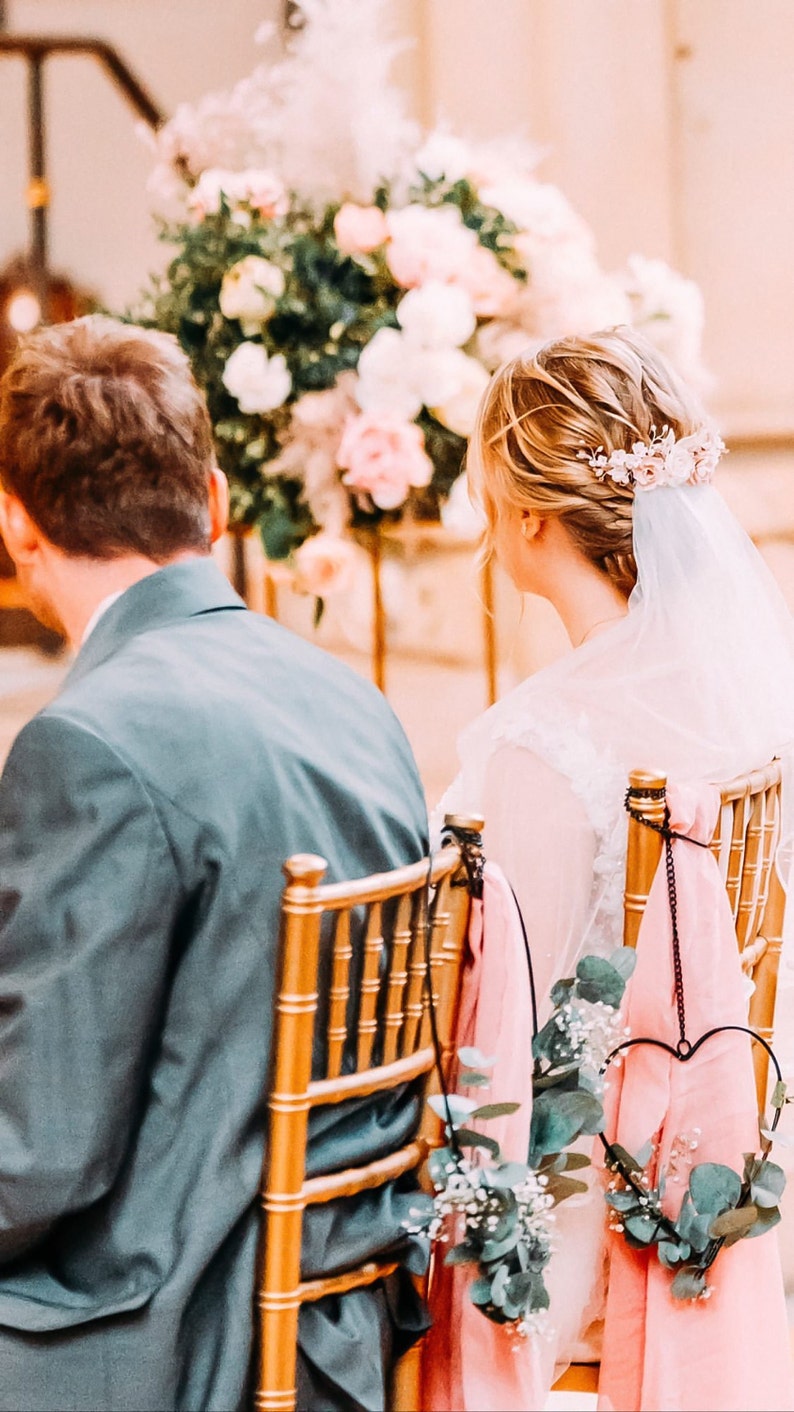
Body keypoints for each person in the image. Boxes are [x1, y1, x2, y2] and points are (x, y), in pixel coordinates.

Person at [0, 315, 429, 1412]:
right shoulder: (348, 694)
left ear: (15, 521)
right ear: (216, 495)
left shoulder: (84, 742)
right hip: (338, 1313)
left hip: (169, 1329)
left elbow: (36, 1158)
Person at [433, 328, 794, 1407]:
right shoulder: (732, 706)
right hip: (699, 1172)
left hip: (575, 1215)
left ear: (526, 514)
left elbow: (505, 1040)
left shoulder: (545, 741)